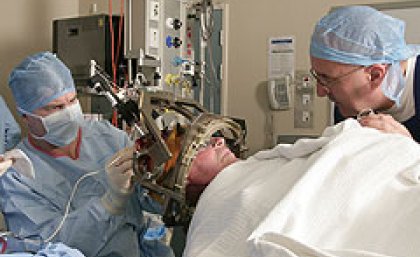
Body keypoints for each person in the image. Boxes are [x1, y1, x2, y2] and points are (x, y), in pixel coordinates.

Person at [0, 52, 174, 257]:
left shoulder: (106, 136)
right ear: (26, 116)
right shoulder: (17, 176)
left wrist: (162, 174)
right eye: (55, 107)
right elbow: (52, 243)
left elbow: (150, 200)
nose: (69, 112)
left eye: (72, 100)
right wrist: (110, 203)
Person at [182, 118, 420, 257]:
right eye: (200, 146)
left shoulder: (264, 162)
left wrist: (390, 144)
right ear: (180, 180)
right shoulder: (212, 219)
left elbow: (340, 148)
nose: (219, 140)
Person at [309, 5, 420, 142]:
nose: (320, 92)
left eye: (327, 78)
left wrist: (409, 148)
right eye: (318, 76)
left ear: (375, 75)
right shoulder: (349, 106)